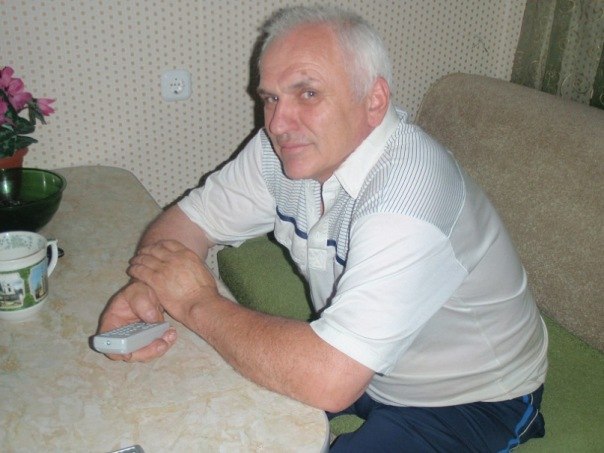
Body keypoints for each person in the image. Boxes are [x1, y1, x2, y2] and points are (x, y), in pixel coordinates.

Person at [99, 5, 548, 451]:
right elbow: (188, 222)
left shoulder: (408, 197)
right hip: (361, 363)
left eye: (308, 93)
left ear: (374, 100)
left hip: (468, 397)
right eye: (271, 98)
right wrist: (150, 286)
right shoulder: (283, 151)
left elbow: (330, 379)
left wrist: (196, 301)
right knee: (196, 410)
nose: (278, 123)